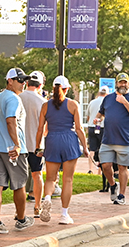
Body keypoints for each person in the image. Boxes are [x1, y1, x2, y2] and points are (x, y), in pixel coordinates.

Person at [33, 76, 89, 226]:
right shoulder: (73, 104)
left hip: (52, 140)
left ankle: (48, 198)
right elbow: (79, 128)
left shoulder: (45, 106)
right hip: (69, 140)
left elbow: (40, 129)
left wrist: (38, 146)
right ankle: (64, 214)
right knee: (67, 180)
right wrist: (85, 147)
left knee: (51, 178)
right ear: (66, 89)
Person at [0, 68, 33, 234]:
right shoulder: (13, 99)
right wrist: (17, 144)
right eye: (20, 80)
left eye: (24, 80)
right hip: (12, 149)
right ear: (10, 81)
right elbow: (11, 121)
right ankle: (21, 219)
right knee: (19, 185)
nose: (23, 83)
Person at [98, 72, 129, 205]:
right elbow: (101, 112)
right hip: (108, 138)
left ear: (128, 84)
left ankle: (122, 195)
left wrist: (124, 102)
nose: (123, 84)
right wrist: (97, 118)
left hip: (125, 139)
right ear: (116, 84)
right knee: (105, 165)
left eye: (125, 82)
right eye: (120, 82)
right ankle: (112, 185)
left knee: (123, 168)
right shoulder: (108, 98)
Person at [22, 71, 48, 217]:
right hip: (37, 144)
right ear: (40, 85)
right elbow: (46, 127)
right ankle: (37, 206)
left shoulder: (18, 98)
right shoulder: (43, 102)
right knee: (37, 174)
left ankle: (19, 210)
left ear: (26, 83)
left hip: (19, 144)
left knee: (19, 178)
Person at [86, 84, 108, 174]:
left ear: (99, 92)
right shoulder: (106, 102)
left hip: (92, 126)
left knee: (92, 149)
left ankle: (90, 169)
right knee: (101, 149)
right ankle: (100, 170)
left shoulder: (92, 102)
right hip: (102, 127)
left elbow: (88, 116)